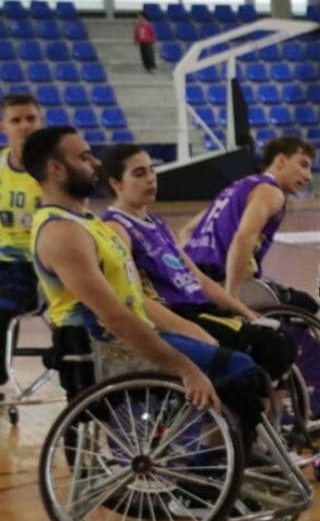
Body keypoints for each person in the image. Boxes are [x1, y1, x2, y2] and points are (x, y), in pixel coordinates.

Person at [25, 126, 263, 414]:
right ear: (55, 168)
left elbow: (135, 297)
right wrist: (185, 368)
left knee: (243, 356)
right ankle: (213, 457)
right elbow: (115, 319)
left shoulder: (85, 220)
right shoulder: (62, 232)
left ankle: (227, 451)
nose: (96, 162)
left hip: (132, 338)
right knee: (241, 370)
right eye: (85, 157)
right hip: (108, 349)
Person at [99, 144, 295, 383]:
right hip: (177, 315)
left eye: (152, 171)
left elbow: (198, 278)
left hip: (199, 308)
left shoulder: (157, 223)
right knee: (272, 346)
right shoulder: (116, 228)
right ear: (116, 183)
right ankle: (245, 414)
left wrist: (243, 310)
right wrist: (189, 330)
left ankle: (260, 409)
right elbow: (134, 296)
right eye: (139, 174)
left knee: (278, 338)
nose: (150, 179)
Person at [180, 136, 318, 312]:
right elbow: (244, 238)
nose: (308, 176)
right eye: (303, 165)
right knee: (306, 305)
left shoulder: (238, 186)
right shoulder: (272, 193)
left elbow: (187, 231)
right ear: (281, 160)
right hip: (219, 278)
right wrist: (231, 297)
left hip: (192, 277)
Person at [0, 93, 42, 387]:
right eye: (16, 120)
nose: (24, 126)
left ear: (41, 122)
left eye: (30, 118)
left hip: (35, 267)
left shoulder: (53, 170)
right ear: (4, 127)